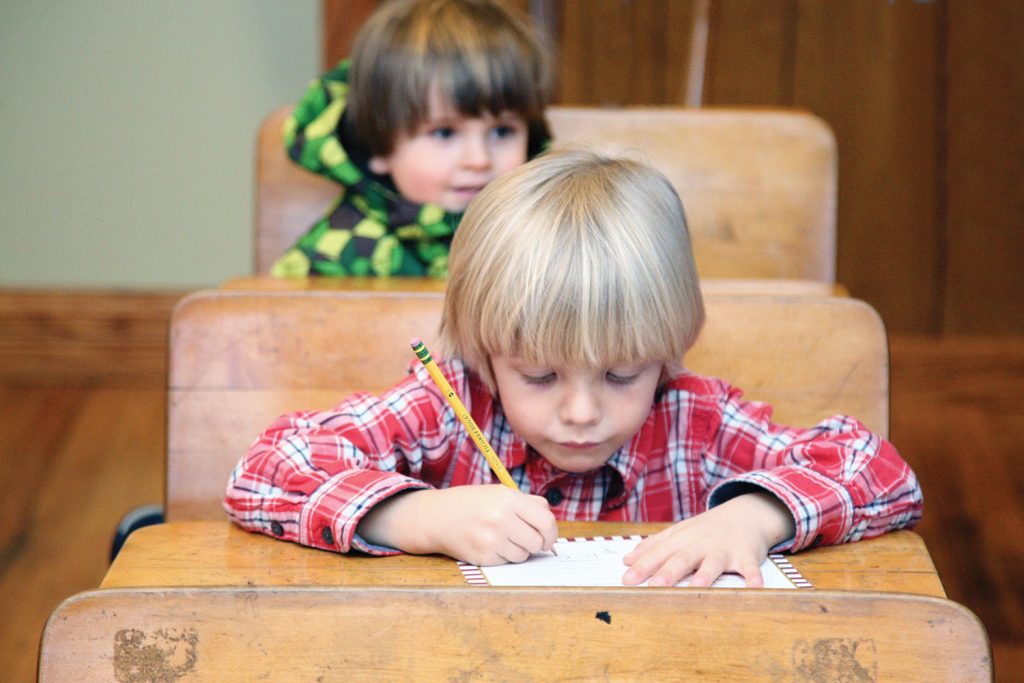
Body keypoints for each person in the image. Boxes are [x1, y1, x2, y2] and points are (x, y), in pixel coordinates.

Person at [226, 148, 923, 587]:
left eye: (622, 376)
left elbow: (880, 472)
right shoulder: (450, 405)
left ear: (669, 345)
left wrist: (754, 515)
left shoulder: (694, 417)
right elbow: (265, 471)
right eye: (539, 376)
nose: (583, 412)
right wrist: (419, 514)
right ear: (484, 350)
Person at [272, 0, 551, 279]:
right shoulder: (337, 256)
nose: (479, 160)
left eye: (503, 131)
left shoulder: (547, 238)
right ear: (378, 144)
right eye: (444, 132)